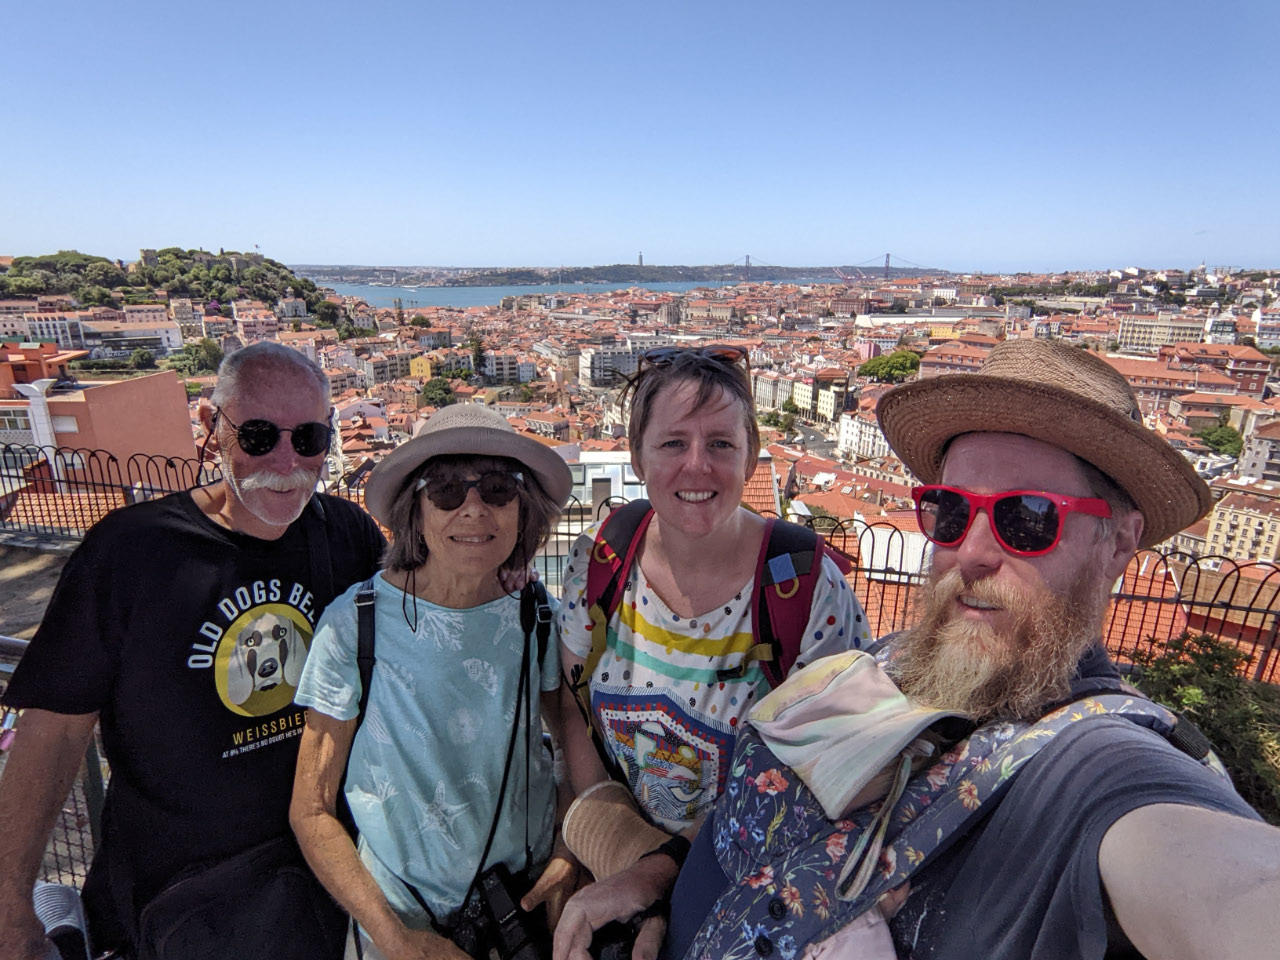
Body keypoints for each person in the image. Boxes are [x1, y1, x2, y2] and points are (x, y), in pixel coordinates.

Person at [664, 338, 1280, 960]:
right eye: (952, 511)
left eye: (1028, 518)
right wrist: (654, 877)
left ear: (1119, 542)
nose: (972, 552)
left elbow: (1227, 882)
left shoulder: (1096, 763)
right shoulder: (897, 658)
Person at [0, 341, 387, 960]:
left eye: (309, 437)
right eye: (258, 436)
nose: (287, 460)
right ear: (212, 425)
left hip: (320, 890)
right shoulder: (130, 552)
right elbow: (53, 731)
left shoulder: (348, 534)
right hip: (174, 906)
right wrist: (9, 901)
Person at [552, 346, 870, 960]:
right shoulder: (600, 561)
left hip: (747, 893)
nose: (696, 465)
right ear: (638, 456)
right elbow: (573, 709)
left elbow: (824, 783)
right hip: (617, 868)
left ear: (750, 455)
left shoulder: (804, 590)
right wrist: (616, 848)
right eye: (673, 443)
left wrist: (659, 877)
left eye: (720, 444)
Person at [289, 403, 580, 960]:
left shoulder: (536, 612)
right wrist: (397, 940)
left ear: (523, 509)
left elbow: (571, 739)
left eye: (498, 488)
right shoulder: (355, 624)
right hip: (400, 921)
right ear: (415, 511)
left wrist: (569, 848)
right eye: (445, 490)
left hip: (525, 908)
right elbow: (311, 809)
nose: (473, 508)